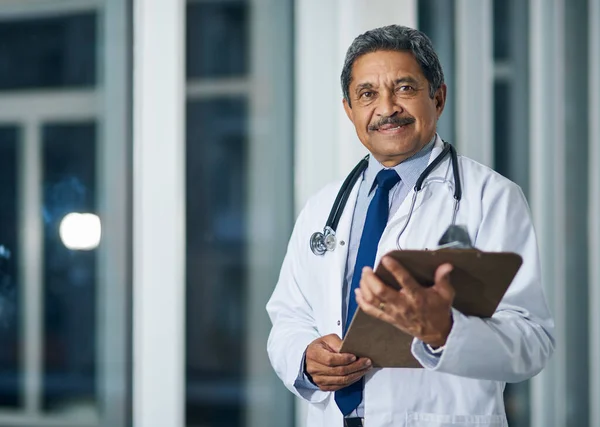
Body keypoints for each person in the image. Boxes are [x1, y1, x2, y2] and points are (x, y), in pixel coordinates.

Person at [266, 25, 554, 427]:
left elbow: (532, 343)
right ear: (349, 109)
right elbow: (288, 317)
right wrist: (305, 358)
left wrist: (446, 332)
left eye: (404, 88)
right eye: (367, 94)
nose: (386, 108)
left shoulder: (492, 197)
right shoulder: (323, 206)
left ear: (438, 97)